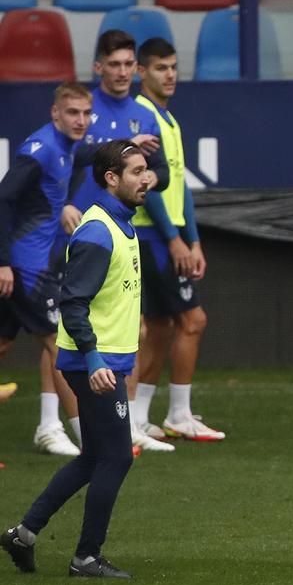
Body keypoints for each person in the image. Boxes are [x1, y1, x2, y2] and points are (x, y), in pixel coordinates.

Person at [2, 141, 154, 579]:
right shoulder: (98, 231)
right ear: (111, 178)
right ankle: (86, 557)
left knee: (94, 457)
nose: (147, 179)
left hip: (105, 362)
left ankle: (24, 534)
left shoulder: (120, 222)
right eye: (137, 171)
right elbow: (73, 303)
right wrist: (93, 360)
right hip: (96, 365)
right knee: (119, 456)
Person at [68, 31, 175, 454]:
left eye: (129, 64)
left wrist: (147, 169)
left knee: (135, 327)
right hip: (83, 230)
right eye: (114, 64)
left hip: (125, 232)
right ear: (99, 68)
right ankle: (65, 424)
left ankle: (120, 422)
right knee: (60, 326)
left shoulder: (143, 113)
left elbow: (162, 175)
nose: (122, 72)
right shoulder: (84, 111)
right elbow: (67, 158)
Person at [127, 39, 222, 443]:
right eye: (160, 68)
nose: (170, 75)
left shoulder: (167, 118)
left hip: (171, 236)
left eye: (173, 67)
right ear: (141, 72)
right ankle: (178, 414)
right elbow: (149, 189)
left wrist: (193, 239)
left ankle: (139, 415)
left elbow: (177, 185)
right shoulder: (143, 117)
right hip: (152, 236)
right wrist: (175, 240)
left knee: (163, 327)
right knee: (191, 321)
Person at [0, 83, 91, 457]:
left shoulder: (68, 148)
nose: (81, 120)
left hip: (27, 265)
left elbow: (86, 159)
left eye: (86, 113)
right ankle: (89, 441)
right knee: (60, 343)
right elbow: (3, 198)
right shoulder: (41, 150)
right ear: (55, 113)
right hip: (25, 268)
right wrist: (3, 261)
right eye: (73, 113)